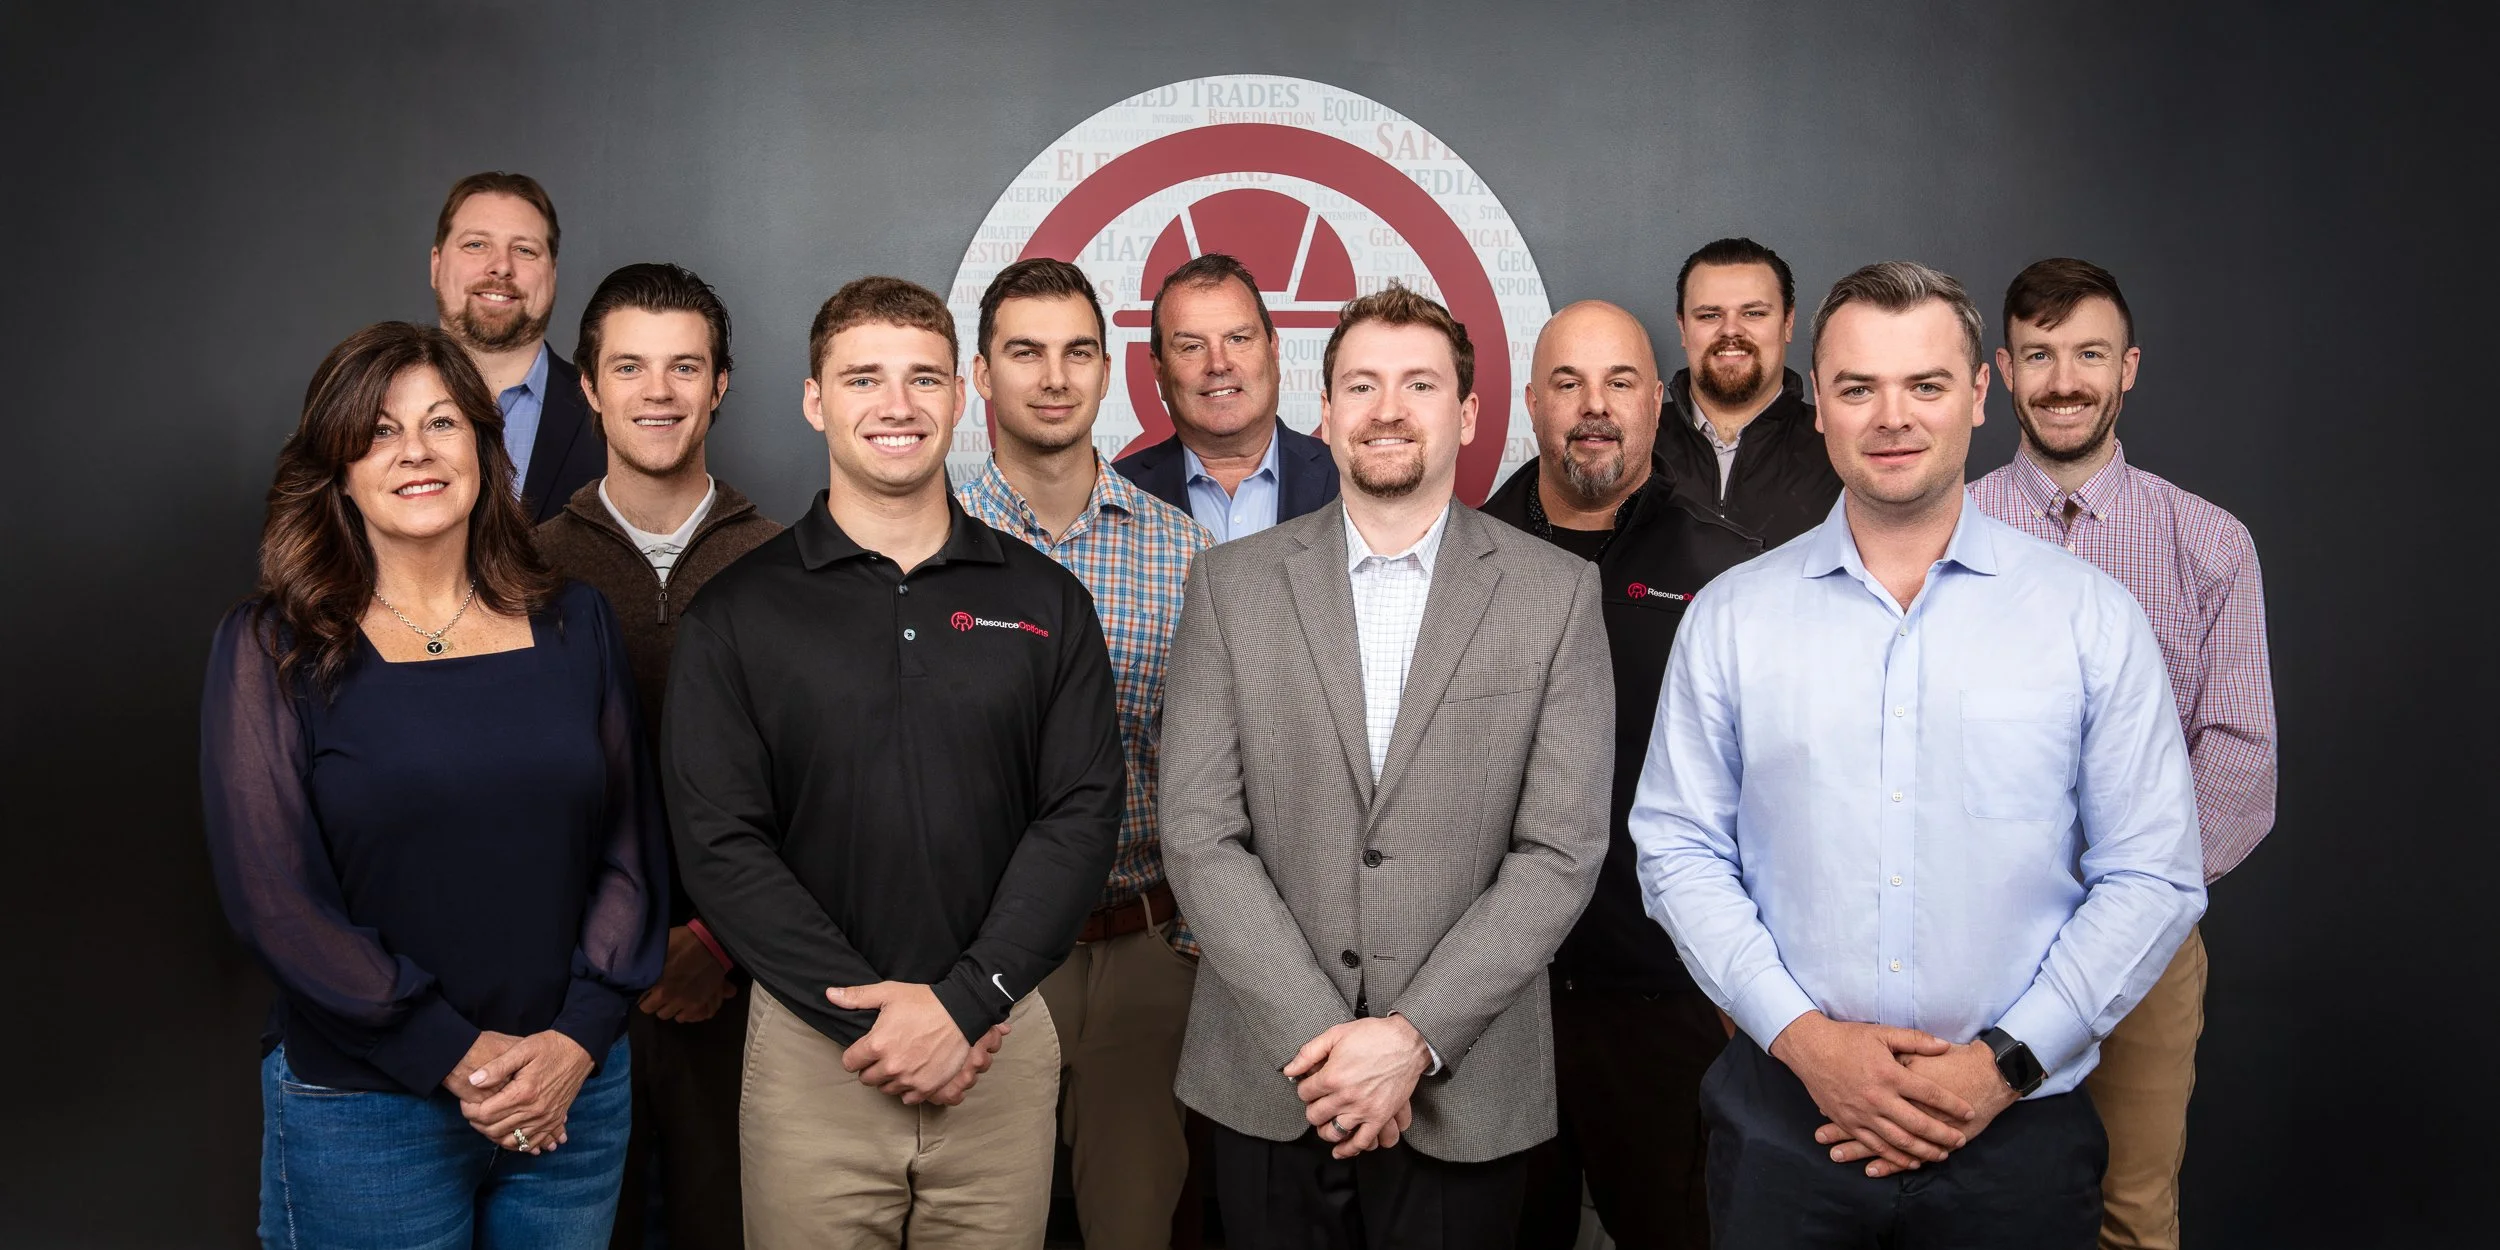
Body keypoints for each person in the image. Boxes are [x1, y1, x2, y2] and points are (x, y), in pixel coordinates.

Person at [1630, 261, 2207, 1247]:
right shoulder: (1732, 618)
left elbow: (2151, 872)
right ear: (1820, 406)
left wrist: (2000, 1063)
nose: (1890, 416)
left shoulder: (2089, 620)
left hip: (2017, 1132)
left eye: (1925, 384)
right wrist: (1809, 1044)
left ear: (1979, 393)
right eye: (1857, 387)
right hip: (1785, 1125)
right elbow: (1677, 849)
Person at [663, 275, 1123, 1249]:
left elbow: (1079, 813)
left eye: (922, 378)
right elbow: (720, 841)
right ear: (813, 398)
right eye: (863, 377)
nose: (897, 404)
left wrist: (965, 1003)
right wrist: (875, 1024)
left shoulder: (1046, 600)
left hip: (998, 1040)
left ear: (961, 396)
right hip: (811, 1053)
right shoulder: (739, 613)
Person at [1160, 283, 1611, 1249]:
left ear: (1470, 411)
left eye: (1420, 384)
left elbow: (1560, 852)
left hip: (1465, 1081)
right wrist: (1324, 1048)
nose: (1390, 409)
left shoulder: (1558, 594)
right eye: (1361, 385)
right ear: (1324, 413)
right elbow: (1200, 836)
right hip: (1272, 1079)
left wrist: (1407, 1040)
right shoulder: (1230, 586)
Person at [201, 321, 667, 1249]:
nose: (415, 451)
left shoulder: (576, 621)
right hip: (366, 1110)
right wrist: (447, 1049)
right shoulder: (274, 646)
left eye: (442, 423)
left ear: (486, 452)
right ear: (336, 468)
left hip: (569, 1095)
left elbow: (630, 853)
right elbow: (274, 898)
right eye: (378, 431)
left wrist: (577, 1038)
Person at [1967, 258, 2276, 1250]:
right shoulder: (1943, 530)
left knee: (2132, 1212)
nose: (2065, 379)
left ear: (2128, 367)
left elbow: (2238, 751)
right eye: (2042, 355)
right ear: (2003, 372)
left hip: (2146, 945)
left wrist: (2129, 893)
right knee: (1976, 1206)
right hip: (1980, 942)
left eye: (2090, 353)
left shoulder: (2210, 542)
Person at [1479, 301, 1761, 1250]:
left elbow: (1766, 797)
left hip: (1665, 1005)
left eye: (1620, 382)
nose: (1593, 407)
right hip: (1493, 1004)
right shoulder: (1460, 559)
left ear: (1657, 404)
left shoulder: (1728, 574)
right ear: (1530, 402)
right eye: (1567, 382)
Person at [953, 258, 1213, 1250]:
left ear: (1108, 372)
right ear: (982, 374)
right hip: (979, 960)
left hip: (1140, 945)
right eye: (1025, 352)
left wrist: (1184, 944)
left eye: (1077, 352)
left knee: (1136, 1228)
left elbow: (1209, 771)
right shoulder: (929, 536)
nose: (1054, 377)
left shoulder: (1179, 550)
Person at [532, 263, 783, 1250]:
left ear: (721, 383)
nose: (659, 391)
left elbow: (821, 782)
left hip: (750, 978)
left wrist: (716, 939)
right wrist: (610, 952)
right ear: (589, 386)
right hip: (570, 985)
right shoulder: (520, 565)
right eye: (629, 366)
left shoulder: (789, 561)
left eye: (686, 366)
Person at [1112, 252, 1339, 538]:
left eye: (1238, 339)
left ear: (1273, 350)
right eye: (1192, 346)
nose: (1218, 364)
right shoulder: (1114, 494)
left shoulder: (1348, 476)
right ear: (1159, 369)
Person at [430, 171, 602, 522]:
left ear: (552, 274)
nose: (501, 267)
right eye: (476, 244)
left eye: (524, 250)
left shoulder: (609, 416)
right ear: (436, 264)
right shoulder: (367, 406)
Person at [1658, 237, 1841, 542]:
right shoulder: (1633, 445)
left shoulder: (1839, 450)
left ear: (1787, 323)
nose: (1730, 330)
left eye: (1754, 313)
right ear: (1682, 328)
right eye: (1709, 315)